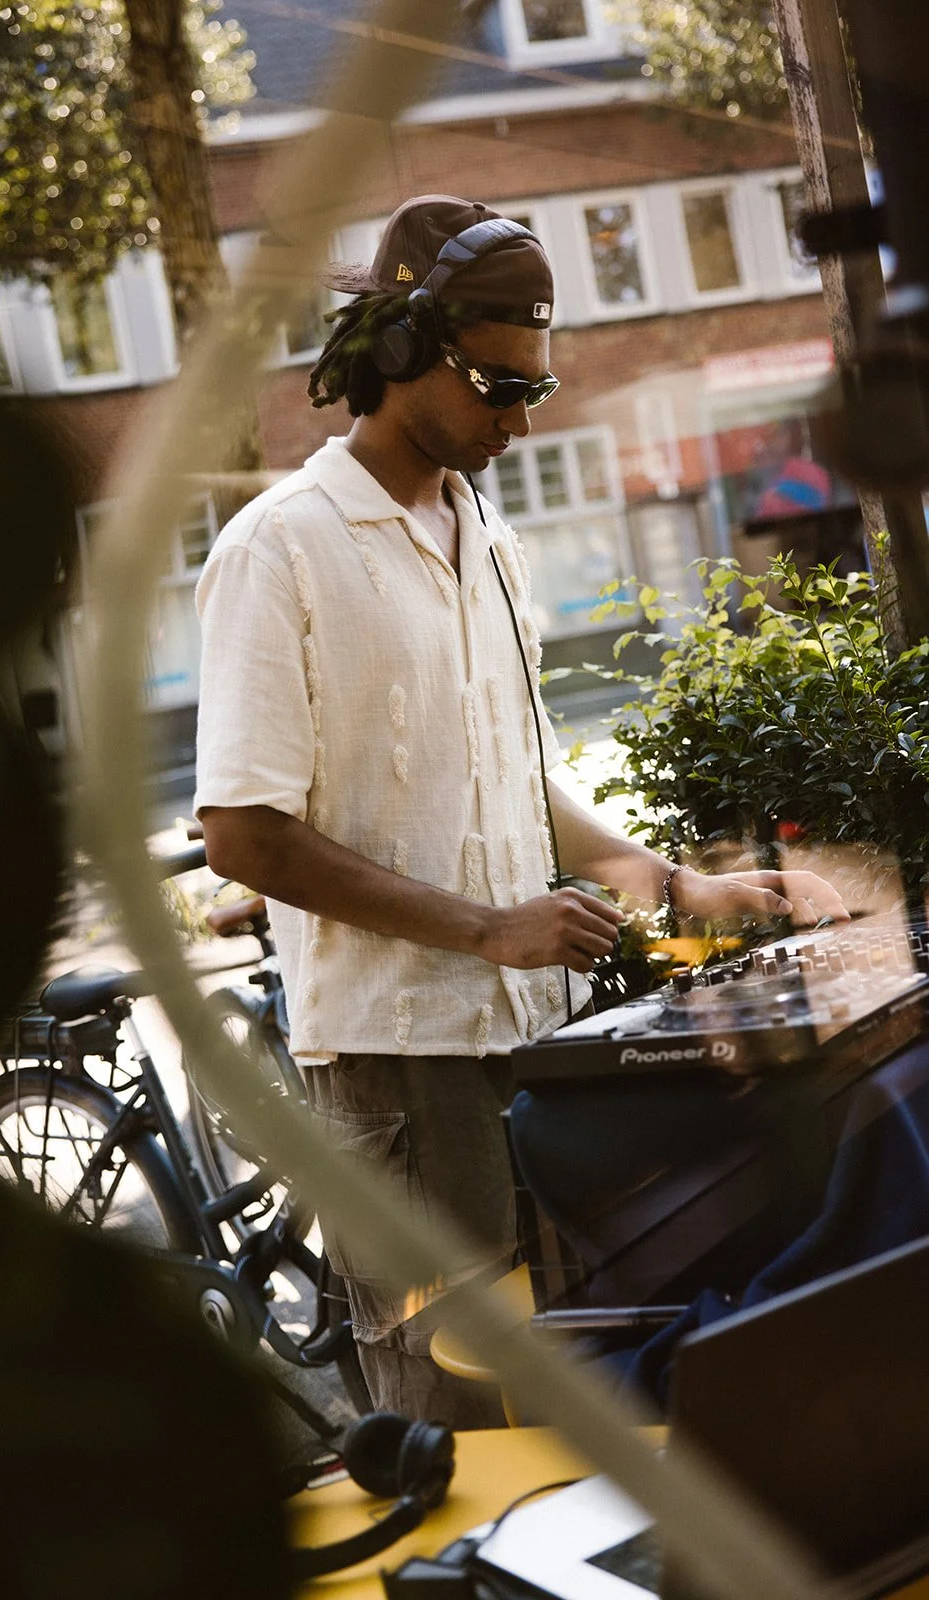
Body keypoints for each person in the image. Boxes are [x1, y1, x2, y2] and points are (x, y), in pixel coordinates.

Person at [194, 194, 847, 1427]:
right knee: (453, 1423)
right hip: (398, 1073)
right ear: (398, 353)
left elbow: (515, 775)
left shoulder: (486, 537)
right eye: (496, 386)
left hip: (534, 1054)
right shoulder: (277, 550)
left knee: (568, 1405)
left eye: (534, 393)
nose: (516, 418)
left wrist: (673, 885)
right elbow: (244, 833)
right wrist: (484, 928)